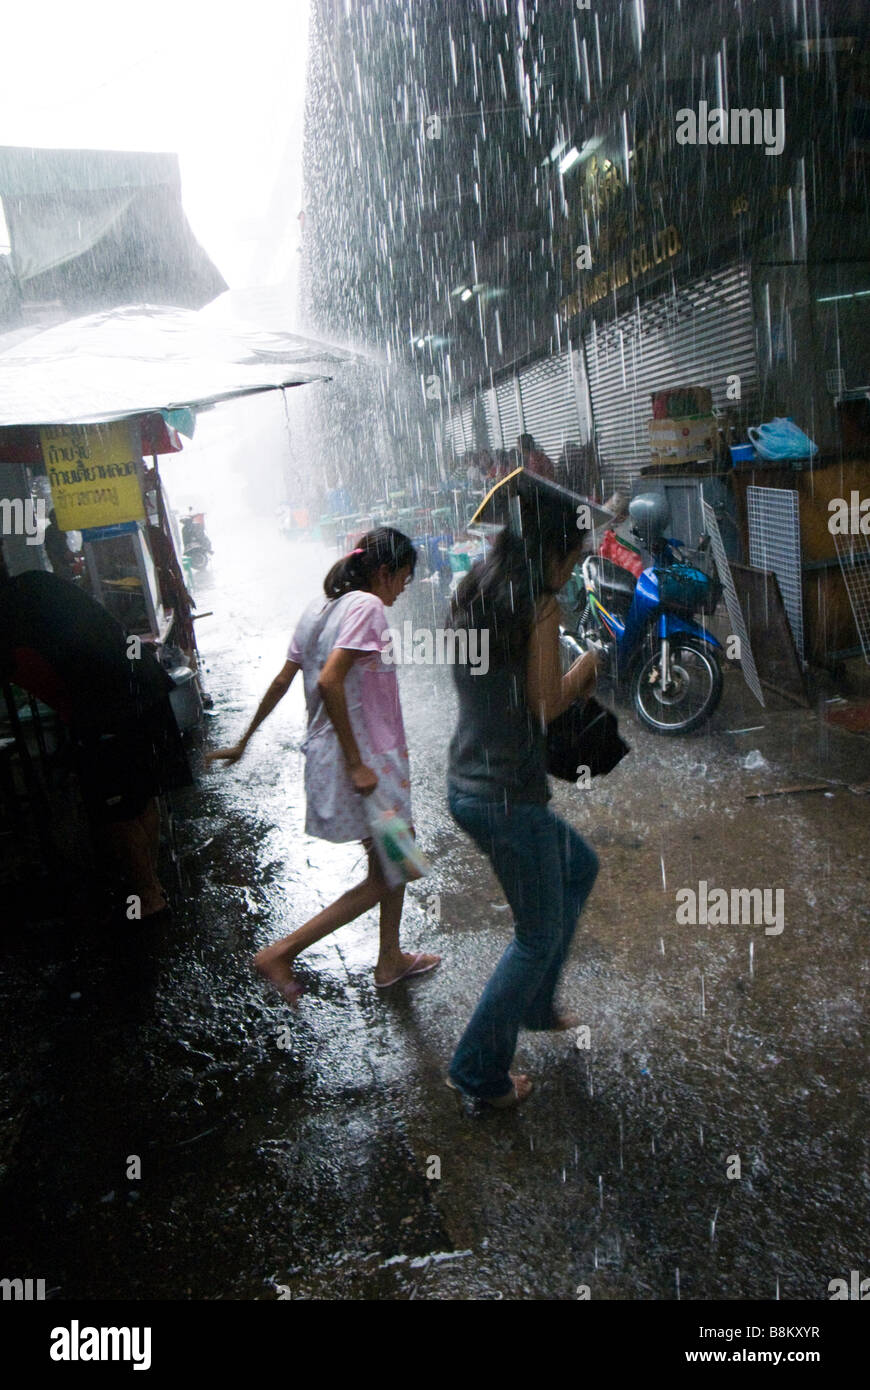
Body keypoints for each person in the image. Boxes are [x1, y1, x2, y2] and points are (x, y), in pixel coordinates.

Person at [206, 527, 440, 1003]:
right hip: (369, 764)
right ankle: (282, 951)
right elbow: (331, 681)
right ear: (383, 572)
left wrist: (243, 740)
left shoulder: (319, 608)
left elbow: (283, 679)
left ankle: (390, 959)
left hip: (340, 757)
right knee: (398, 867)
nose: (401, 590)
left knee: (391, 859)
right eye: (403, 579)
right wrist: (358, 764)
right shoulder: (367, 607)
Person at [445, 472, 599, 1107]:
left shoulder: (475, 588)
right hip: (506, 795)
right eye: (574, 556)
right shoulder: (537, 603)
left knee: (579, 867)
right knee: (536, 935)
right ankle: (477, 1070)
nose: (576, 567)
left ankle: (535, 1004)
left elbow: (494, 690)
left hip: (469, 780)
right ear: (553, 551)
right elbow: (544, 705)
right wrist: (585, 670)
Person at [0, 542, 189, 919]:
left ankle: (147, 898)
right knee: (140, 794)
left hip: (108, 705)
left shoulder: (7, 616)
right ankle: (151, 884)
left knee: (117, 809)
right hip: (143, 687)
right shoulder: (34, 584)